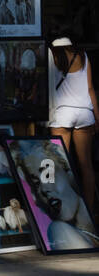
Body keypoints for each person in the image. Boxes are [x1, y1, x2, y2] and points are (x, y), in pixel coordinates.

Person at [48, 37, 98, 213]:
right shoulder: (83, 56)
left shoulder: (52, 55)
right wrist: (97, 118)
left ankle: (64, 210)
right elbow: (90, 89)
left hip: (62, 113)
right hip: (85, 113)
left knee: (60, 164)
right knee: (86, 166)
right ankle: (89, 211)